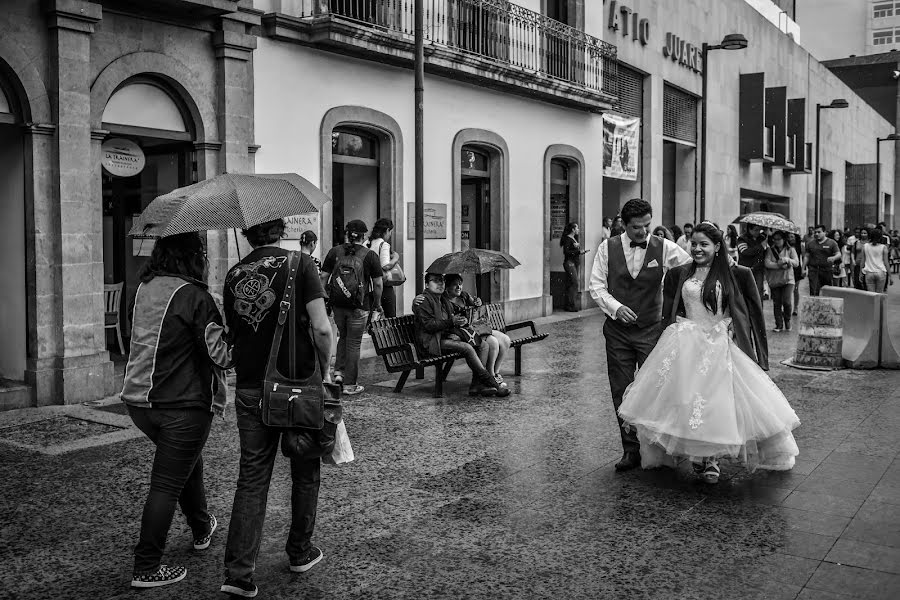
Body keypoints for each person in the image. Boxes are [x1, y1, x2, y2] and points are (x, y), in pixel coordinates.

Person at [618, 222, 800, 483]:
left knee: (716, 402)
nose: (698, 248)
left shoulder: (738, 273)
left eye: (704, 244)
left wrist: (755, 349)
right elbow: (670, 310)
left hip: (720, 344)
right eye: (694, 243)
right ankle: (697, 455)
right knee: (685, 401)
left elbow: (755, 315)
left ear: (717, 247)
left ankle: (712, 458)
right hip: (686, 343)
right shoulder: (679, 273)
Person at [221, 219, 334, 598]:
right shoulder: (301, 264)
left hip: (252, 386)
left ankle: (238, 573)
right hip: (297, 384)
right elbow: (321, 328)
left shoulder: (234, 274)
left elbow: (233, 333)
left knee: (252, 477)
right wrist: (327, 367)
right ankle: (300, 551)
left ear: (246, 234)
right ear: (280, 228)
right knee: (305, 467)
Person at [121, 232, 232, 589]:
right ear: (194, 256)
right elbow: (221, 355)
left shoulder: (143, 287)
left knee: (185, 461)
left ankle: (201, 526)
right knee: (166, 484)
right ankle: (147, 566)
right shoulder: (195, 296)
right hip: (181, 403)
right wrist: (237, 333)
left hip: (139, 402)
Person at [589, 198, 691, 472]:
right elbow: (596, 286)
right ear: (624, 224)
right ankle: (630, 450)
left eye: (647, 226)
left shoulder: (664, 247)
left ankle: (657, 449)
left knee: (655, 390)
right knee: (621, 391)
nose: (644, 232)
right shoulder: (606, 248)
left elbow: (693, 266)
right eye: (637, 228)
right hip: (617, 333)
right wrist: (616, 308)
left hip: (650, 330)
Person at [412, 272, 509, 397]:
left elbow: (452, 316)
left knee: (483, 345)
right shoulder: (424, 300)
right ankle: (491, 383)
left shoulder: (442, 299)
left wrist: (459, 320)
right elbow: (429, 325)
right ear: (426, 284)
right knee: (467, 348)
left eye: (441, 280)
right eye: (435, 281)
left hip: (445, 337)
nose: (440, 283)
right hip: (431, 342)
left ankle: (476, 385)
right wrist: (451, 322)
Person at [321, 219, 383, 395]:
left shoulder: (335, 252)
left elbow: (323, 278)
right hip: (359, 306)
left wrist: (326, 299)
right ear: (364, 236)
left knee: (343, 338)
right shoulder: (370, 255)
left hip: (338, 305)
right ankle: (350, 385)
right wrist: (377, 304)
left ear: (347, 234)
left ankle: (338, 374)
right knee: (354, 343)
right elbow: (378, 284)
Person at [764, 231, 799, 332]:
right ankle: (778, 324)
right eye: (775, 239)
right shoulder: (770, 250)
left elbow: (796, 263)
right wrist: (779, 265)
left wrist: (787, 260)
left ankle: (787, 320)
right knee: (777, 303)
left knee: (787, 302)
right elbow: (767, 263)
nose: (777, 241)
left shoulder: (790, 250)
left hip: (788, 279)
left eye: (779, 239)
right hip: (775, 281)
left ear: (784, 239)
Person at [367, 218, 401, 318]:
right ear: (386, 231)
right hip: (383, 287)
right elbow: (385, 266)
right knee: (391, 318)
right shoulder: (383, 245)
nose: (390, 235)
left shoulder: (367, 243)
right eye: (390, 232)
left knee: (370, 320)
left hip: (368, 287)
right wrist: (396, 258)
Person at [805, 224, 841, 296]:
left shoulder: (832, 243)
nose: (817, 234)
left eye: (819, 232)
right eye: (815, 232)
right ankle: (814, 306)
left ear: (824, 232)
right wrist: (803, 269)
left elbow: (839, 254)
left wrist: (833, 258)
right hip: (814, 271)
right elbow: (806, 256)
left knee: (827, 292)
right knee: (814, 292)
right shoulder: (810, 243)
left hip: (827, 270)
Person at [561, 222, 589, 311]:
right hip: (570, 263)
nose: (578, 230)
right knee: (575, 283)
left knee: (571, 283)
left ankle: (569, 304)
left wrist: (580, 251)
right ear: (573, 229)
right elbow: (566, 252)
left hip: (574, 262)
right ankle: (571, 304)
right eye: (577, 228)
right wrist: (578, 252)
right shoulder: (568, 239)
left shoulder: (574, 238)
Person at [737, 224, 768, 301]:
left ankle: (758, 311)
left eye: (759, 230)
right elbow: (745, 252)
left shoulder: (762, 238)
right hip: (745, 268)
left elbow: (765, 253)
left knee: (758, 292)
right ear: (749, 229)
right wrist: (760, 247)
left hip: (758, 268)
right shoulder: (742, 238)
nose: (758, 232)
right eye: (755, 230)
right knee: (746, 292)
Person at [860, 228, 890, 293]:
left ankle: (872, 303)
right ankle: (879, 303)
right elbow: (886, 262)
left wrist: (860, 273)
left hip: (869, 273)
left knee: (871, 295)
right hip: (881, 272)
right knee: (879, 294)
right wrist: (890, 275)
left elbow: (863, 261)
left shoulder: (865, 246)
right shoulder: (883, 247)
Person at [787, 232, 805, 315]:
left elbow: (804, 257)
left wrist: (804, 269)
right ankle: (787, 307)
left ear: (796, 237)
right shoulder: (785, 246)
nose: (791, 238)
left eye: (792, 237)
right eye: (789, 237)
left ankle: (796, 308)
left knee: (796, 289)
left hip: (797, 269)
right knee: (788, 290)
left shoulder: (800, 245)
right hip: (787, 269)